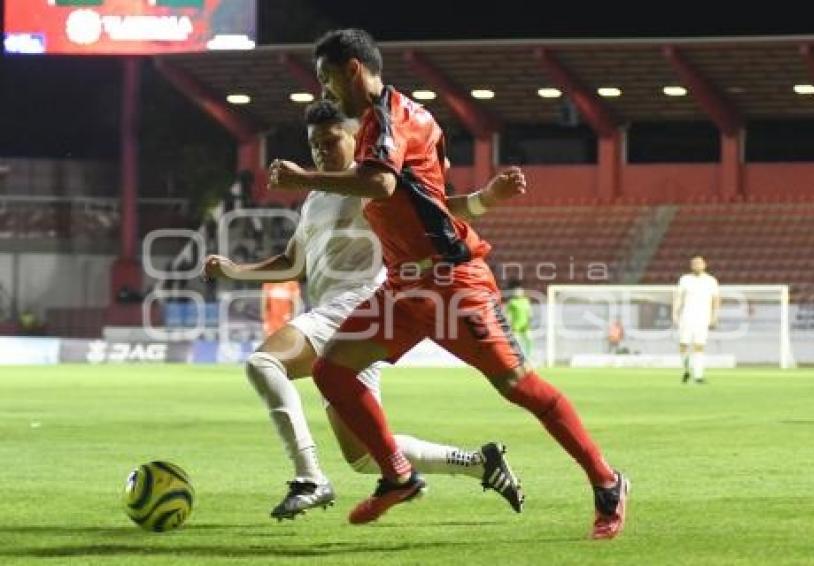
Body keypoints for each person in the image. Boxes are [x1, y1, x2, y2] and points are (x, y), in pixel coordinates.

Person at [268, 28, 628, 538]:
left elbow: (381, 183)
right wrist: (483, 198)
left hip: (452, 283)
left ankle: (607, 481)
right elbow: (427, 201)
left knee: (519, 388)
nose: (326, 91)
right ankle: (397, 475)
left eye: (328, 79)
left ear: (353, 71)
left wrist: (301, 178)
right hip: (402, 288)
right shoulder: (381, 123)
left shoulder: (393, 119)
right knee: (332, 372)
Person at [204, 100, 526, 520]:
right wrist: (235, 270)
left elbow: (437, 209)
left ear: (355, 138)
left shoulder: (371, 184)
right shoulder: (316, 198)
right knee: (366, 457)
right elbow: (292, 262)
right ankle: (480, 463)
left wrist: (486, 199)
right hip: (349, 325)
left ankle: (309, 478)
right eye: (314, 143)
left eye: (330, 139)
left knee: (264, 362)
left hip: (359, 305)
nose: (321, 149)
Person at [672, 255, 720, 384]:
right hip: (686, 317)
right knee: (684, 345)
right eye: (694, 263)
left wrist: (715, 316)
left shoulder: (711, 281)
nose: (697, 265)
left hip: (703, 318)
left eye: (699, 263)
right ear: (691, 266)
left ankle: (698, 375)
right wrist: (675, 313)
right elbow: (679, 297)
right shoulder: (685, 279)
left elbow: (716, 300)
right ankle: (686, 370)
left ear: (704, 265)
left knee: (699, 346)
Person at [504, 279, 532, 357]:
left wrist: (529, 321)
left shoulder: (526, 301)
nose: (518, 292)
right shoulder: (512, 302)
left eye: (520, 291)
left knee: (529, 340)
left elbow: (529, 313)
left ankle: (529, 357)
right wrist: (509, 323)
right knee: (517, 342)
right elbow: (508, 314)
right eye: (516, 291)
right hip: (515, 325)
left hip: (525, 325)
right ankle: (518, 357)